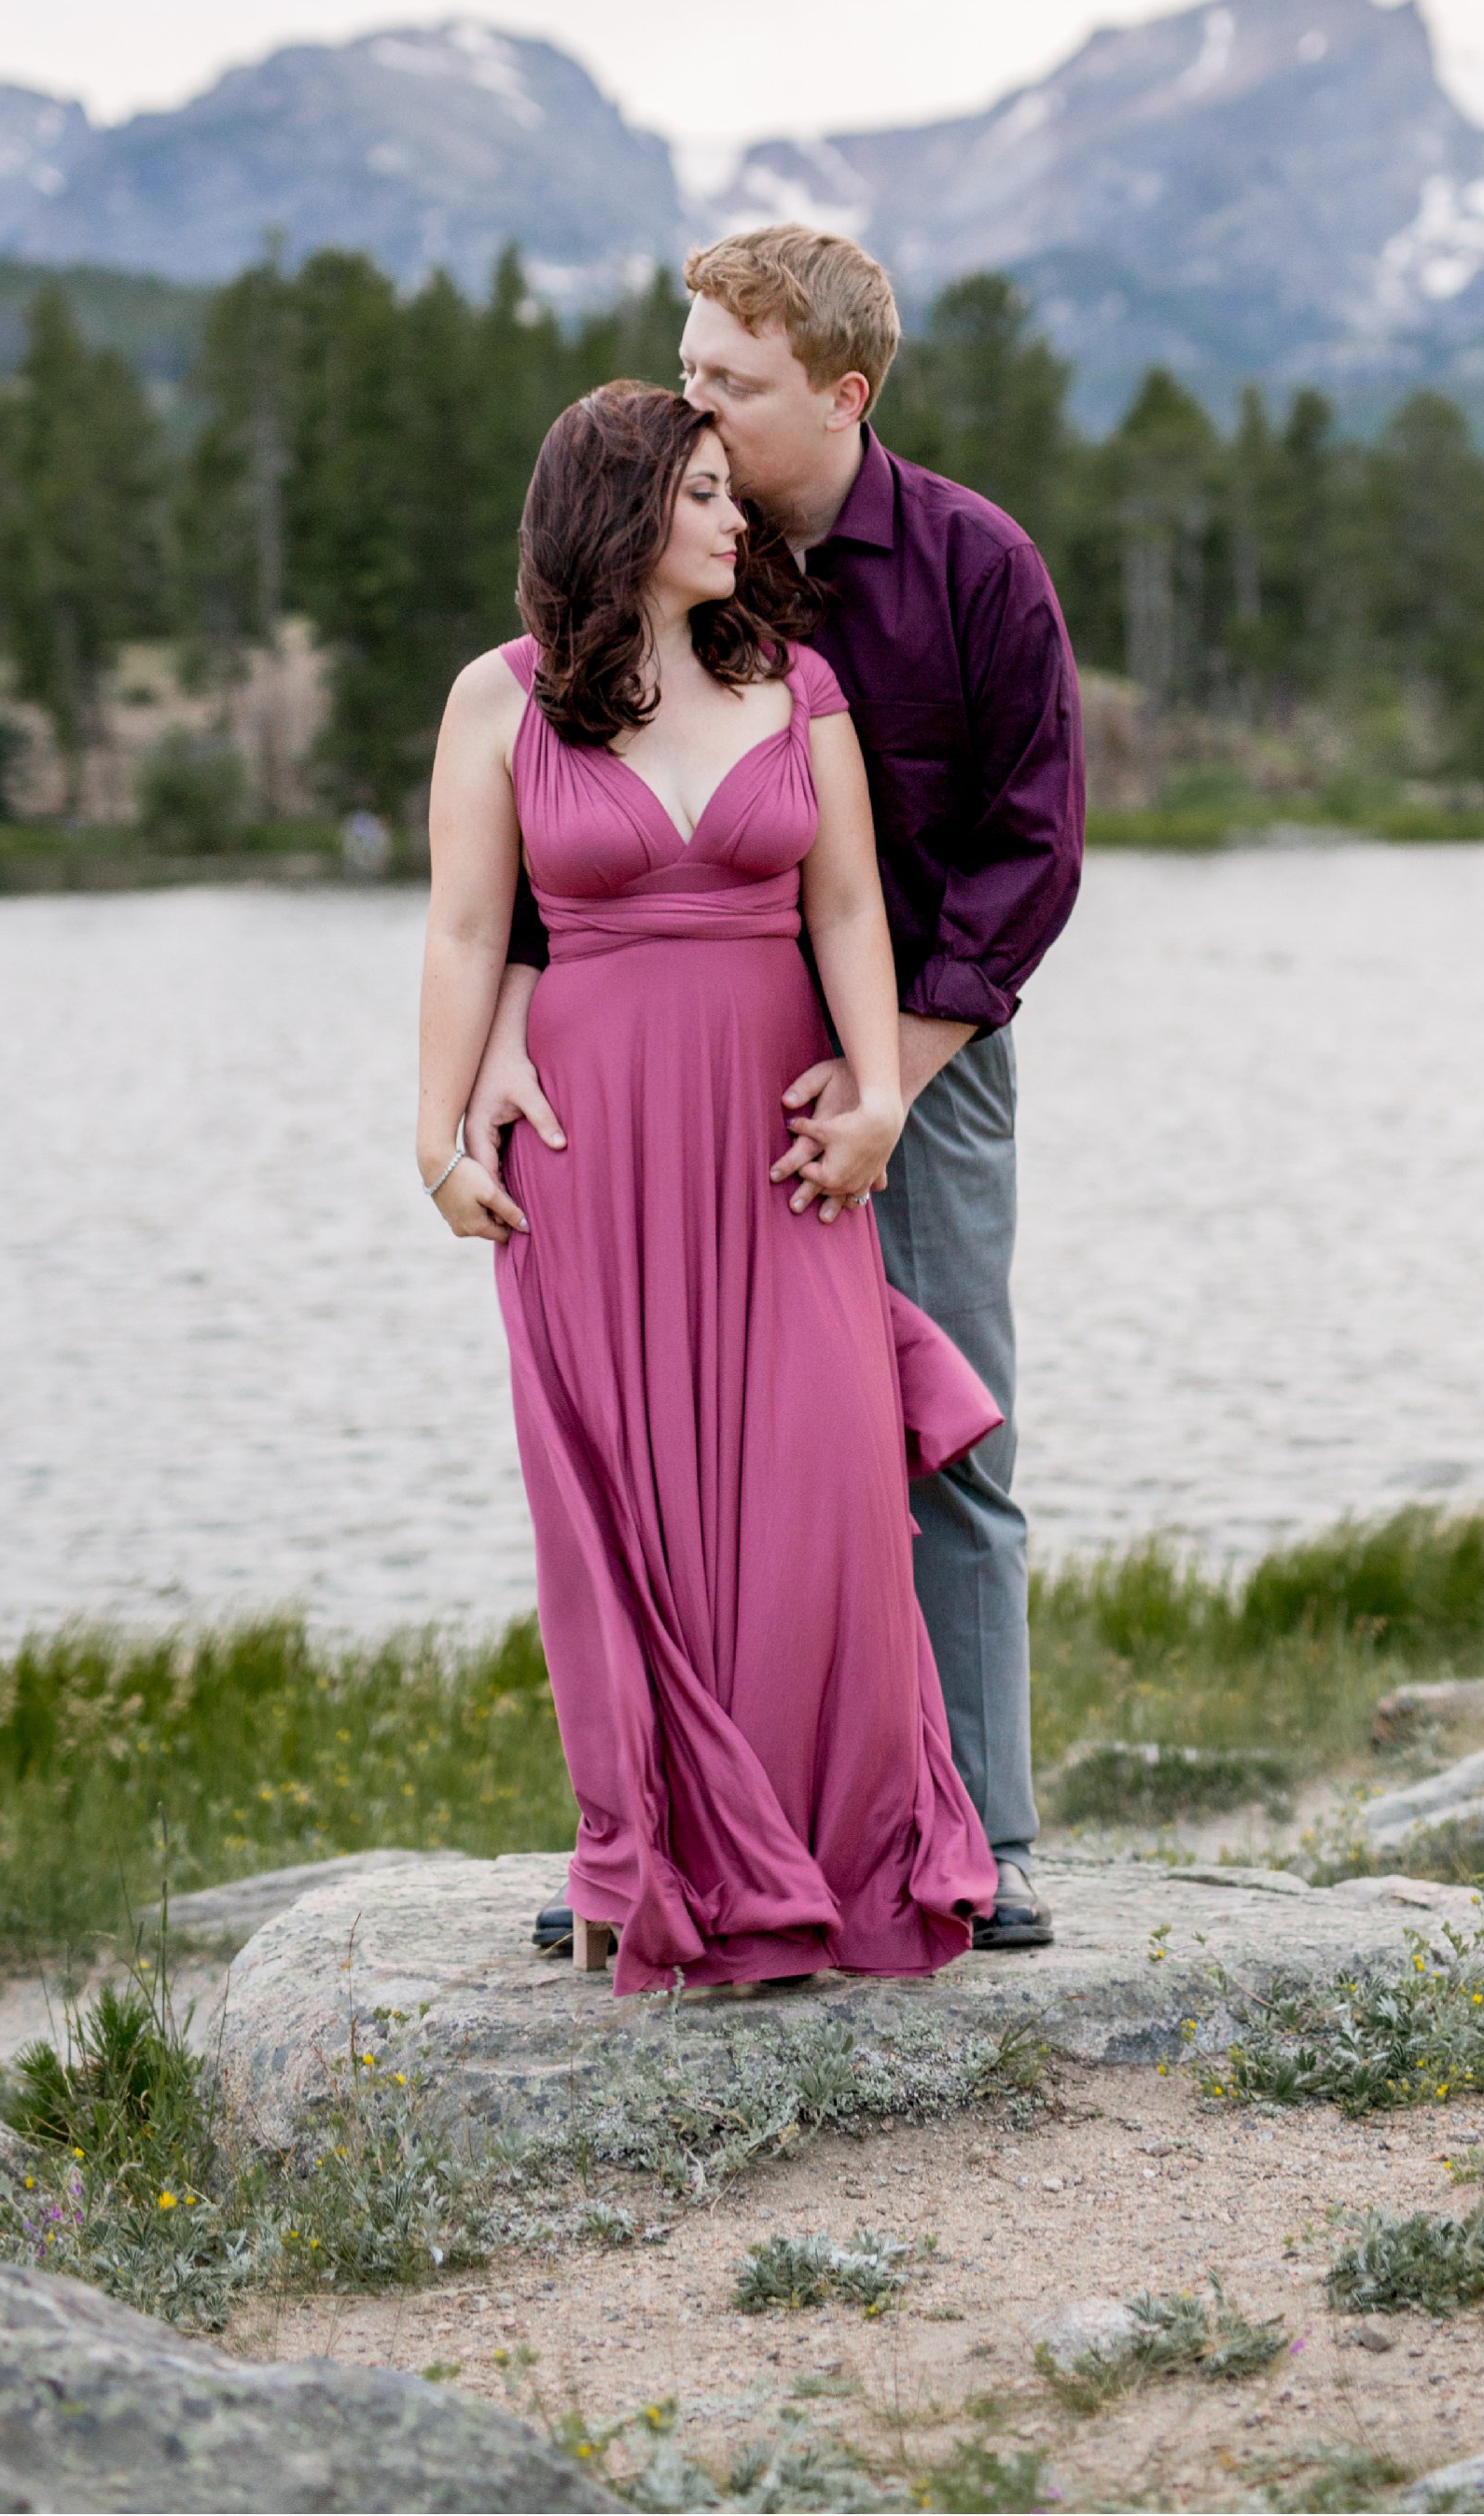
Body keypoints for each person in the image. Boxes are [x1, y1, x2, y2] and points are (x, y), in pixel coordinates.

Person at [473, 227, 1085, 1953]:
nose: (697, 407)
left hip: (934, 1059)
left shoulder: (976, 566)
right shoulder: (657, 549)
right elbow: (554, 819)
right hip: (696, 1077)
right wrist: (514, 1015)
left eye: (729, 384)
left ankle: (983, 1836)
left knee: (946, 1430)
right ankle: (670, 1838)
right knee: (680, 1450)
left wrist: (898, 1072)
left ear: (841, 394)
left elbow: (1034, 851)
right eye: (688, 371)